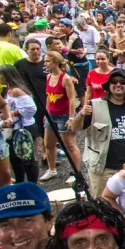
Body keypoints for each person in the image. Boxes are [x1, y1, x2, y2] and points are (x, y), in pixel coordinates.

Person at [72, 68, 125, 198]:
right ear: (108, 86)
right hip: (102, 169)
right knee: (102, 206)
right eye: (114, 82)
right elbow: (75, 128)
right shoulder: (94, 105)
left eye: (122, 82)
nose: (118, 85)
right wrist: (81, 114)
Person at [40, 50, 81, 183]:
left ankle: (76, 172)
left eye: (47, 61)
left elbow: (72, 99)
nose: (45, 63)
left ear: (56, 62)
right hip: (51, 114)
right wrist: (46, 113)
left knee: (70, 145)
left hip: (63, 116)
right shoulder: (48, 77)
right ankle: (52, 169)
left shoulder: (65, 78)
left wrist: (71, 118)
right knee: (49, 144)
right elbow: (48, 96)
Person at [0, 64, 37, 183]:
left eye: (0, 75)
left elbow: (31, 108)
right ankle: (20, 184)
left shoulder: (17, 90)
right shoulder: (9, 90)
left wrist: (13, 113)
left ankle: (32, 185)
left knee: (27, 159)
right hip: (13, 130)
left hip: (24, 128)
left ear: (6, 76)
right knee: (15, 161)